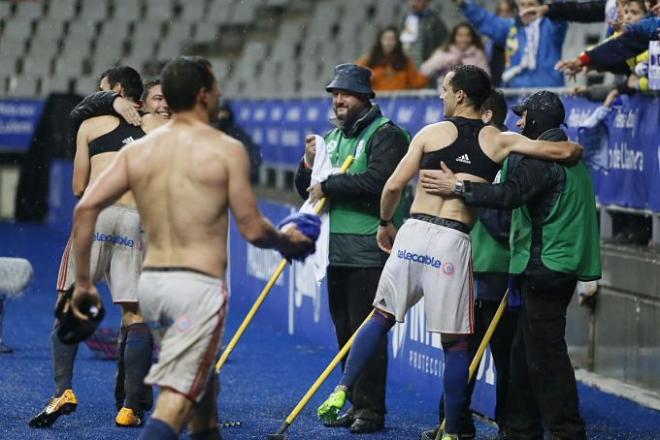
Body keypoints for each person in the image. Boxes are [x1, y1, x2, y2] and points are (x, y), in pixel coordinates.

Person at [316, 65, 582, 440]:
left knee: (379, 318)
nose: (441, 95)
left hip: (412, 232)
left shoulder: (430, 132)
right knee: (455, 344)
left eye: (444, 89)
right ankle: (453, 430)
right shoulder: (499, 140)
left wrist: (385, 223)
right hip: (452, 242)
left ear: (460, 95)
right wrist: (573, 148)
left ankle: (343, 387)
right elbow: (563, 150)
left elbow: (392, 186)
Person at [69, 56, 315, 440]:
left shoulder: (139, 148)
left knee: (204, 390)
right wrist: (288, 243)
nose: (220, 94)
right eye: (216, 88)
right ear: (203, 95)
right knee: (176, 398)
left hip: (152, 286)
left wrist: (84, 282)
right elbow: (252, 228)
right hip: (195, 290)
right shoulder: (225, 149)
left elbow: (85, 209)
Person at [421, 91, 601, 440]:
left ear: (536, 120)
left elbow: (510, 196)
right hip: (553, 264)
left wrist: (457, 187)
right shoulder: (565, 155)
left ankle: (567, 431)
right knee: (521, 353)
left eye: (524, 117)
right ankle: (521, 429)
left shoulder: (544, 161)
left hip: (546, 265)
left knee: (545, 356)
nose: (519, 124)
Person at [29, 66, 164, 429]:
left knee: (67, 307)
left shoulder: (90, 126)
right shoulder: (156, 126)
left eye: (102, 90)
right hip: (134, 221)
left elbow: (77, 187)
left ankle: (64, 391)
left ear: (117, 90)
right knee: (134, 317)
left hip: (96, 214)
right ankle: (131, 408)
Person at [294, 63, 410, 433]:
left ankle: (372, 411)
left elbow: (379, 182)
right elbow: (307, 190)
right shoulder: (332, 138)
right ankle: (355, 401)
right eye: (334, 94)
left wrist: (330, 186)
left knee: (367, 334)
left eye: (345, 93)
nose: (338, 100)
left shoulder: (388, 134)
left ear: (364, 96)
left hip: (369, 249)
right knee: (345, 332)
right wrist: (310, 163)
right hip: (335, 251)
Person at [422, 89, 519, 440]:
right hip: (464, 270)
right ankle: (454, 424)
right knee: (460, 354)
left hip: (497, 272)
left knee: (507, 358)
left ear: (487, 115)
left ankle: (511, 427)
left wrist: (468, 195)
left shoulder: (507, 153)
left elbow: (506, 216)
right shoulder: (468, 149)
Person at [453, 0, 568, 88]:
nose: (526, 9)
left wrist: (554, 6)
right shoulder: (511, 28)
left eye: (531, 5)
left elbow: (561, 11)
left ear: (541, 7)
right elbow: (486, 21)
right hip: (516, 94)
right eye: (522, 5)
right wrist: (465, 4)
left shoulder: (551, 26)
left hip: (548, 92)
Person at [357, 25, 428, 91]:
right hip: (376, 100)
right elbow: (354, 74)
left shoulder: (404, 60)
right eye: (385, 39)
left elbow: (416, 83)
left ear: (397, 42)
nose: (388, 42)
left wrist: (428, 71)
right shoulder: (370, 58)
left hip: (399, 102)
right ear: (379, 41)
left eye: (392, 39)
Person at [420, 22, 490, 88]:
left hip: (470, 97)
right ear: (454, 36)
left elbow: (486, 77)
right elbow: (424, 70)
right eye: (460, 35)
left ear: (472, 37)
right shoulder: (444, 52)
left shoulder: (478, 54)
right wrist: (444, 62)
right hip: (444, 96)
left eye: (467, 35)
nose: (463, 39)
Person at [212, 98, 262, 183]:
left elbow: (254, 154)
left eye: (224, 113)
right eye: (220, 113)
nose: (222, 116)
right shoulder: (210, 133)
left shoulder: (237, 133)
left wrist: (246, 175)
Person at [400, 0, 449, 68]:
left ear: (427, 2)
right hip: (408, 64)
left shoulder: (434, 19)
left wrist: (434, 57)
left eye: (418, 1)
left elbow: (445, 41)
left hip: (426, 64)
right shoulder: (407, 17)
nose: (414, 3)